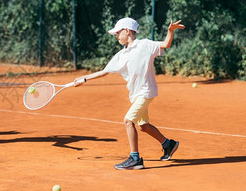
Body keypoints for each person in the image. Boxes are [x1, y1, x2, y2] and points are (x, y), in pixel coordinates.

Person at [74, 17, 185, 169]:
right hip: (136, 94)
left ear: (127, 31)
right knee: (143, 126)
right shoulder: (121, 55)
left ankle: (135, 159)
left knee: (128, 121)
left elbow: (165, 44)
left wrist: (170, 32)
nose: (116, 36)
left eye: (118, 33)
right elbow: (104, 71)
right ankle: (168, 144)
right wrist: (84, 79)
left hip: (146, 92)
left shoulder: (145, 45)